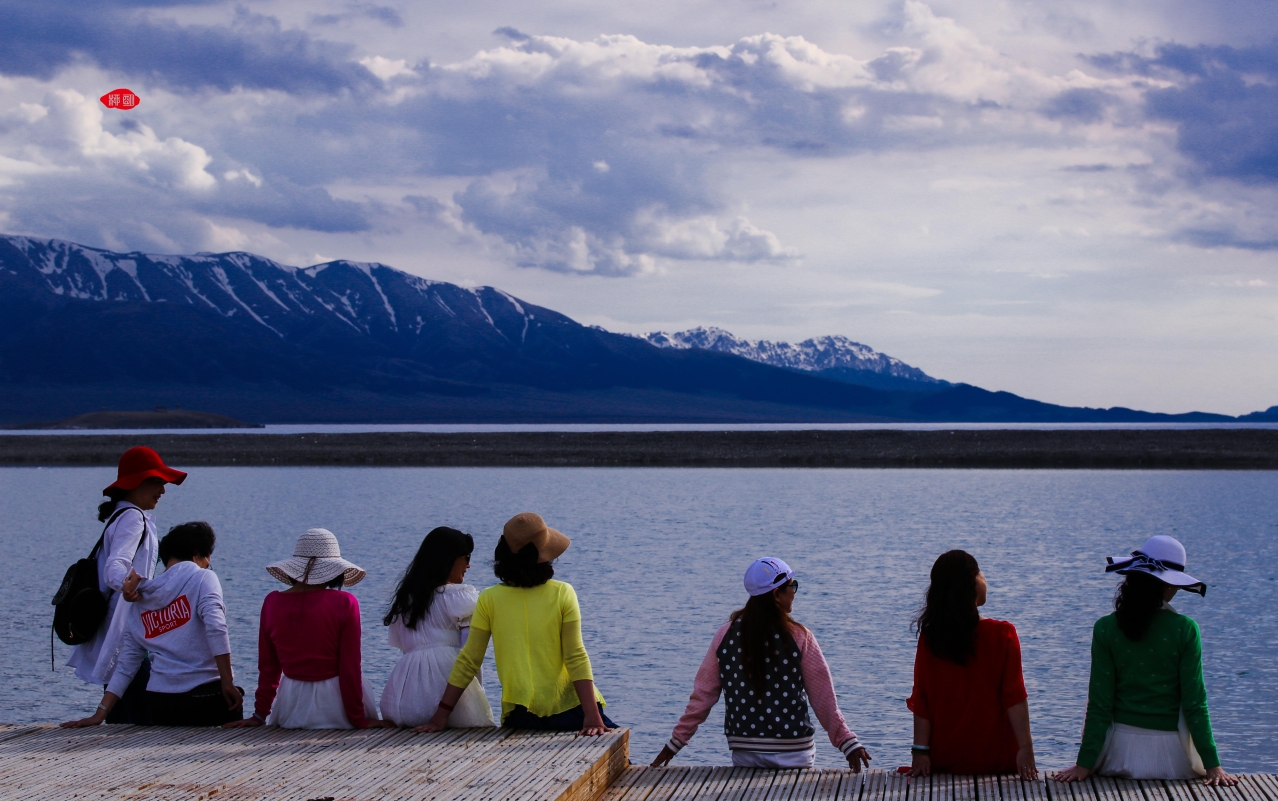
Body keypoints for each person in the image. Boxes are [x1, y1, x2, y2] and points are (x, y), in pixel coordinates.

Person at [652, 557, 872, 771]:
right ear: (777, 594)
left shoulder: (725, 636)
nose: (794, 593)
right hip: (795, 752)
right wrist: (847, 742)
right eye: (792, 586)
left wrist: (675, 743)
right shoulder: (801, 637)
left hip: (746, 754)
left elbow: (703, 696)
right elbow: (823, 698)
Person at [1055, 536, 1237, 786]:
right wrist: (1213, 766)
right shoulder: (1185, 629)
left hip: (1118, 754)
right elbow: (1195, 704)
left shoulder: (1105, 628)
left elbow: (1100, 703)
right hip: (1174, 758)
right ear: (1168, 585)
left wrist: (1084, 764)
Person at [415, 512, 613, 735]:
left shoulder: (490, 599)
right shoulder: (563, 593)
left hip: (521, 715)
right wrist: (592, 717)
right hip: (573, 710)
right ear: (545, 556)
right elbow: (575, 656)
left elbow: (469, 661)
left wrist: (440, 716)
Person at [61, 522, 243, 727]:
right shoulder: (203, 578)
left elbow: (127, 662)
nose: (208, 563)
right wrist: (227, 681)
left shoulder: (141, 597)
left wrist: (100, 714)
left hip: (160, 701)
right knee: (233, 707)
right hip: (204, 696)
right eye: (207, 557)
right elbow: (217, 628)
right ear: (196, 554)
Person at [66, 446, 187, 724]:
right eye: (158, 482)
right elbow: (115, 568)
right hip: (125, 624)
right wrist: (132, 587)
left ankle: (112, 742)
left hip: (119, 624)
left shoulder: (121, 516)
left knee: (126, 704)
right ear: (138, 483)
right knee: (141, 707)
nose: (163, 491)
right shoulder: (133, 518)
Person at [224, 528, 390, 730]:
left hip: (291, 705)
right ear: (334, 570)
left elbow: (268, 667)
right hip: (337, 707)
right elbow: (350, 668)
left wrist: (259, 714)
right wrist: (358, 718)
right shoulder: (346, 603)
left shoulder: (272, 602)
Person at [906, 550, 1037, 778]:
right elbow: (1014, 697)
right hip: (995, 760)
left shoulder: (931, 637)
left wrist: (920, 752)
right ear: (972, 583)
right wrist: (1026, 749)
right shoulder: (1003, 635)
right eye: (980, 572)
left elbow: (922, 699)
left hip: (943, 758)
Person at [380, 527, 495, 728]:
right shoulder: (458, 597)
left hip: (402, 701)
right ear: (450, 559)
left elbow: (404, 648)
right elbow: (471, 657)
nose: (469, 564)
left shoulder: (406, 602)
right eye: (466, 557)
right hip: (443, 699)